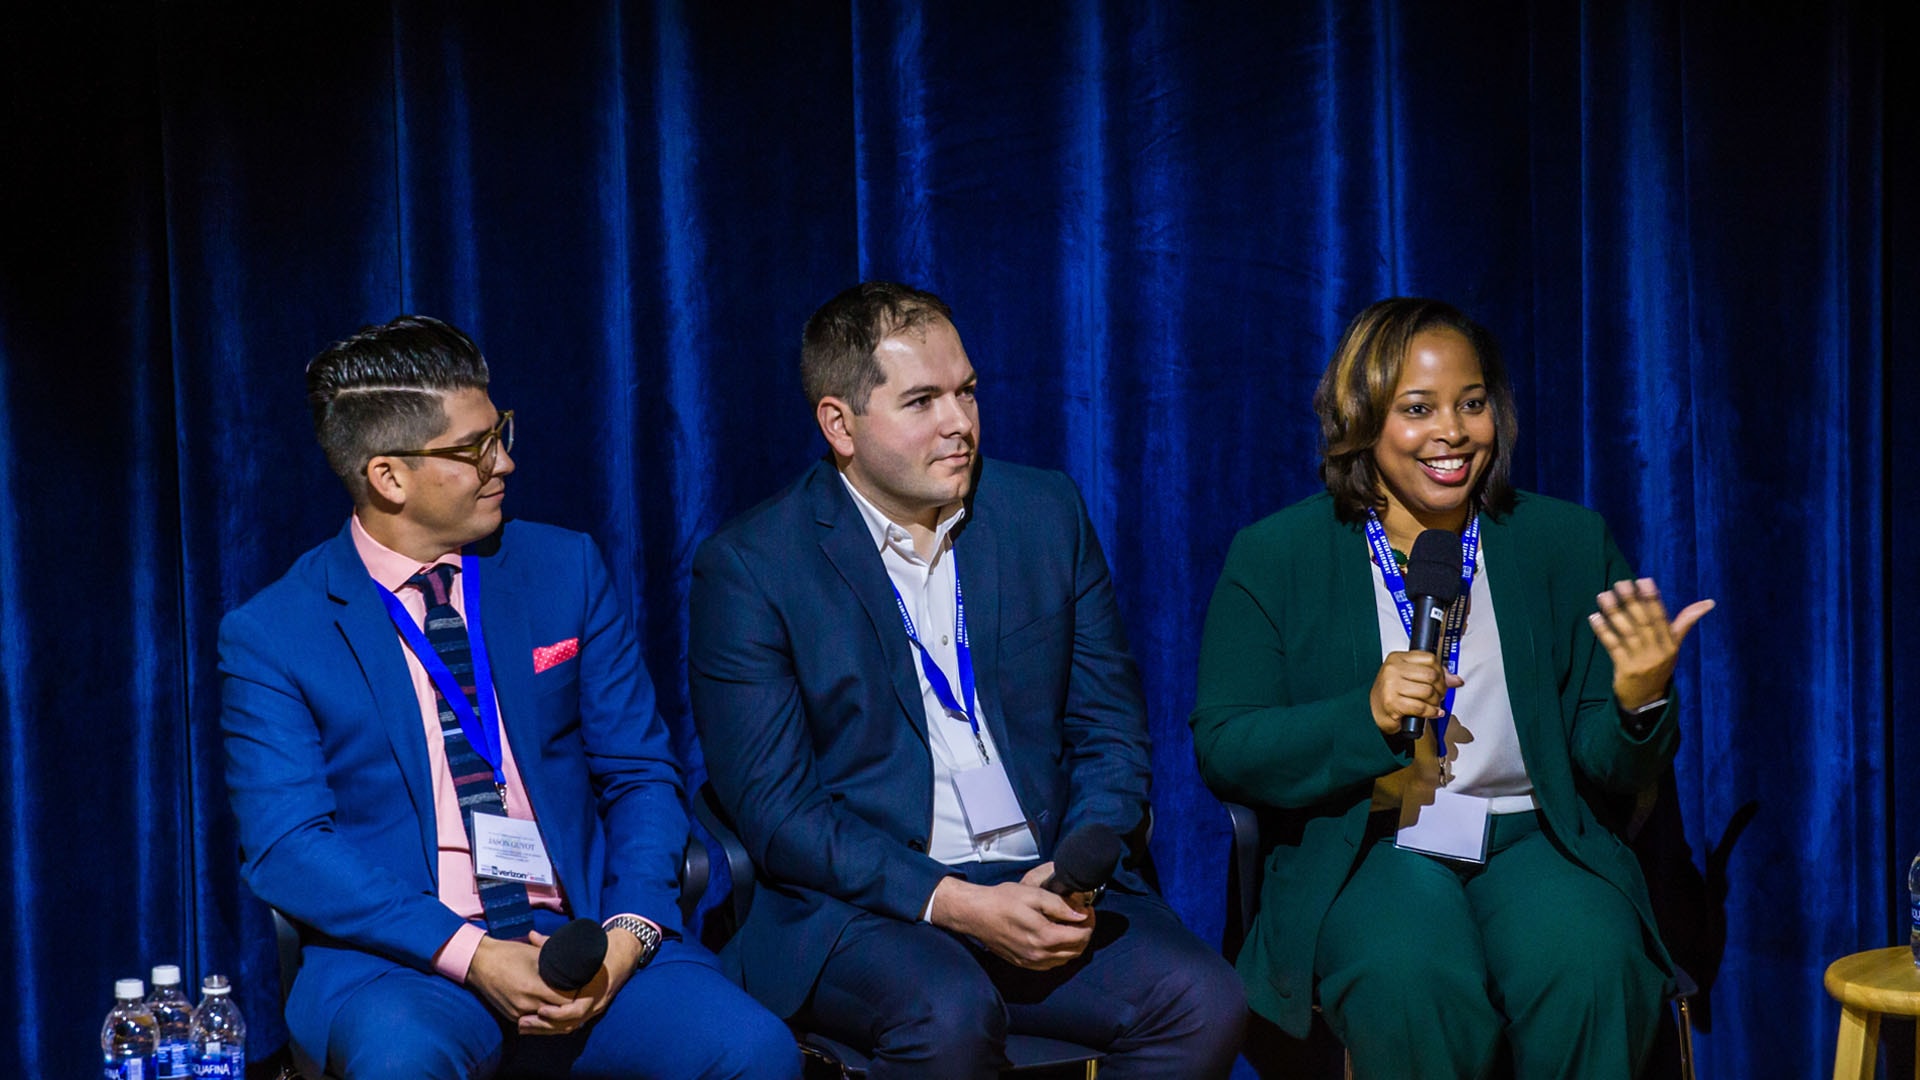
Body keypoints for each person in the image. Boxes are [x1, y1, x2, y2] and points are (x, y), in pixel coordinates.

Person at [688, 282, 1246, 1079]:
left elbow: (1112, 732)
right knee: (948, 1014)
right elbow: (779, 815)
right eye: (922, 401)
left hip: (1044, 877)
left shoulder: (1042, 512)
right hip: (868, 906)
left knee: (1204, 1000)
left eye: (968, 391)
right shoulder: (751, 568)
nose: (960, 423)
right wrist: (956, 902)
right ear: (840, 425)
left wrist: (1077, 866)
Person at [219, 315, 797, 1080]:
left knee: (753, 1051)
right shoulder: (275, 633)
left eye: (502, 432)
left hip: (586, 933)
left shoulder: (564, 570)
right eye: (474, 449)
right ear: (388, 476)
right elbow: (289, 845)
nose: (506, 464)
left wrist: (626, 938)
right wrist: (472, 954)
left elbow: (641, 775)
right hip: (407, 962)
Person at [1190, 298, 1713, 1078]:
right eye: (1417, 409)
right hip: (1372, 839)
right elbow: (1227, 747)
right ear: (1361, 419)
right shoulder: (1276, 555)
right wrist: (1362, 716)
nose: (1453, 432)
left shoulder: (1564, 542)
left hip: (1534, 835)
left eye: (1471, 405)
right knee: (1411, 979)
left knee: (1594, 965)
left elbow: (1609, 766)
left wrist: (1638, 701)